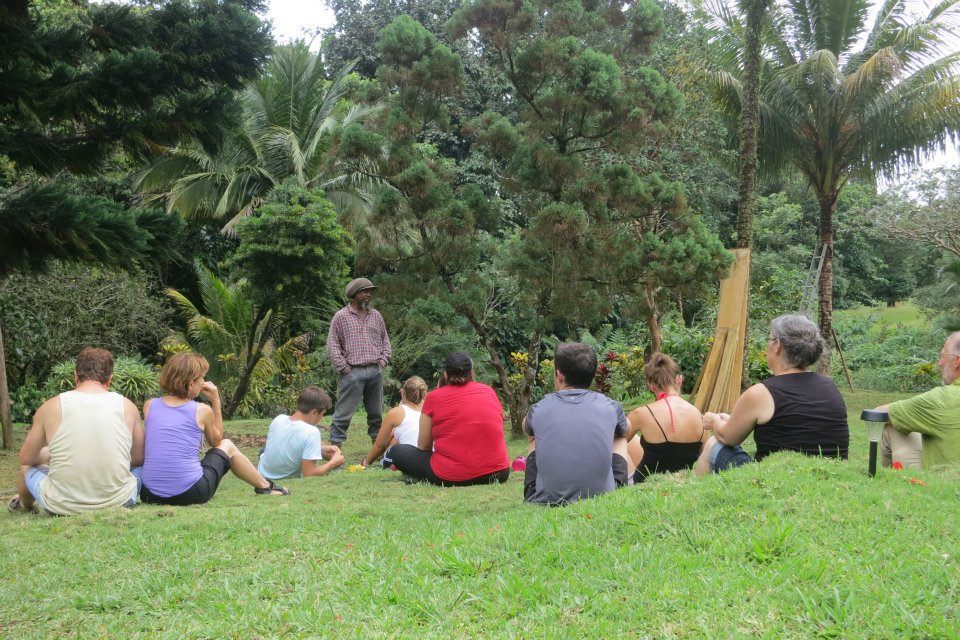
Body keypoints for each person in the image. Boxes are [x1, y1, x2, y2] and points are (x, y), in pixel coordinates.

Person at [695, 314, 849, 475]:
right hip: (827, 476)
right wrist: (729, 421)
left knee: (713, 443)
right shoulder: (830, 387)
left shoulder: (761, 393)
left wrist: (714, 422)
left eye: (769, 339)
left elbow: (728, 437)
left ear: (777, 345)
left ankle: (699, 495)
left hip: (775, 479)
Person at [140, 352, 288, 505]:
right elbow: (216, 441)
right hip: (190, 493)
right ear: (191, 384)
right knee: (228, 445)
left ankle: (264, 486)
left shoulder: (149, 405)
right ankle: (265, 487)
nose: (204, 381)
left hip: (149, 494)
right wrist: (216, 401)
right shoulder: (201, 410)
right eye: (202, 377)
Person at [9, 348, 144, 515]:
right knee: (142, 469)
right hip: (120, 502)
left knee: (27, 468)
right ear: (110, 379)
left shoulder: (50, 406)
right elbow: (139, 458)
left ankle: (27, 506)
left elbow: (26, 458)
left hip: (59, 506)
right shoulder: (128, 406)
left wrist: (48, 453)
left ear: (75, 376)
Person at [524, 343, 630, 505]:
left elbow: (525, 426)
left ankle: (533, 495)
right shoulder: (610, 406)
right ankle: (621, 486)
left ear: (559, 375)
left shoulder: (538, 409)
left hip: (545, 501)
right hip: (603, 497)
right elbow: (627, 430)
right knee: (620, 436)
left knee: (533, 436)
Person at [390, 352, 510, 486]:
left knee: (396, 451)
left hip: (450, 476)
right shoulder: (488, 391)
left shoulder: (434, 397)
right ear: (472, 374)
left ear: (446, 375)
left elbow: (424, 446)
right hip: (499, 473)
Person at [874, 331, 960, 469]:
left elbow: (878, 413)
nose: (939, 362)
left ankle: (885, 482)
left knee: (893, 424)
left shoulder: (941, 399)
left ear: (957, 361)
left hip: (942, 482)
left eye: (942, 356)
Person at [326, 277, 392, 448]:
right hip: (352, 372)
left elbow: (386, 340)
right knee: (343, 414)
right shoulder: (341, 317)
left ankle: (377, 449)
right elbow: (332, 345)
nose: (369, 295)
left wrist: (382, 361)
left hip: (375, 371)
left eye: (370, 292)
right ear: (355, 294)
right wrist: (344, 368)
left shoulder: (376, 316)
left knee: (376, 413)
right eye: (365, 291)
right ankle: (335, 449)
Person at [626, 353, 708, 483]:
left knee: (622, 440)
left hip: (644, 483)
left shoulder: (641, 414)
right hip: (680, 481)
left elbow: (613, 444)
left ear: (651, 386)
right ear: (679, 379)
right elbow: (704, 455)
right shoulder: (701, 417)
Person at [258, 386, 346, 480]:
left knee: (263, 451)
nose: (322, 418)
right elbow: (309, 474)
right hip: (282, 478)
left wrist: (321, 448)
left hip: (262, 473)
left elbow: (292, 441)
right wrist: (333, 463)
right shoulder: (311, 432)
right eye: (322, 414)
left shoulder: (279, 419)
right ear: (314, 413)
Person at [361, 376, 427, 469]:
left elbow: (379, 445)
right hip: (428, 458)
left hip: (409, 457)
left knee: (392, 447)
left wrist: (366, 462)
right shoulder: (429, 409)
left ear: (403, 392)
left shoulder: (396, 412)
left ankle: (395, 464)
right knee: (396, 436)